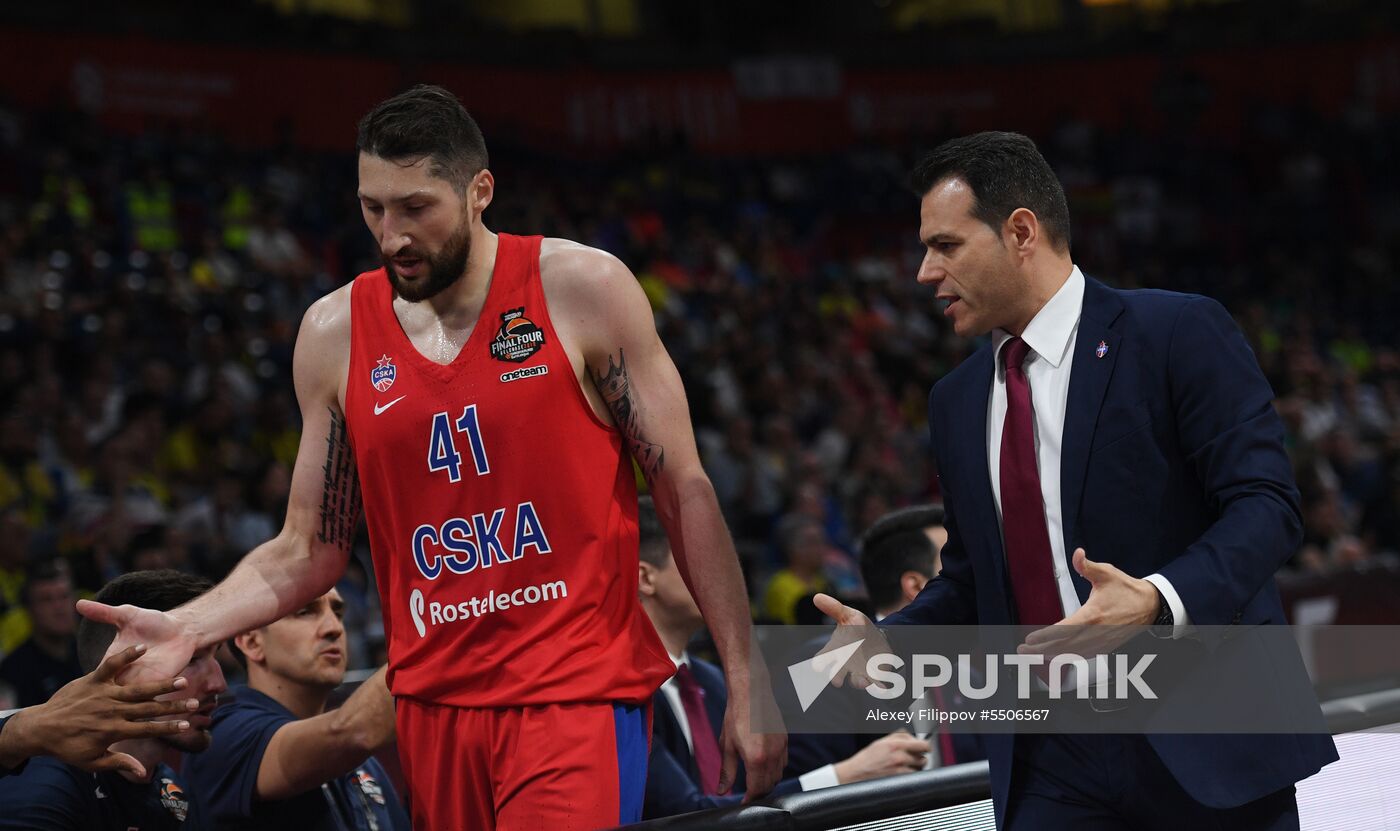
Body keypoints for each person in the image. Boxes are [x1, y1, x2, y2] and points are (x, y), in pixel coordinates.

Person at [78, 84, 783, 830]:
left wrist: (747, 676)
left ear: (479, 190)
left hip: (569, 695)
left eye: (416, 208)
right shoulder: (334, 331)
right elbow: (308, 546)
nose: (391, 236)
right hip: (427, 709)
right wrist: (191, 623)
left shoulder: (582, 287)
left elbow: (684, 490)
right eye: (372, 208)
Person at [815, 132, 1337, 830]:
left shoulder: (1176, 331)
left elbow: (1266, 505)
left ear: (1021, 231)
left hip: (1206, 732)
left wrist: (1156, 598)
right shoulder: (957, 397)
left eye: (945, 245)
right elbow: (973, 575)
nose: (923, 272)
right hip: (1051, 760)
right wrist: (891, 635)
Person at [636, 497, 925, 819]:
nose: (724, 572)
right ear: (646, 578)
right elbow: (683, 815)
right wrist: (844, 777)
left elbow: (749, 795)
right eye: (698, 556)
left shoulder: (715, 681)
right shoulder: (624, 694)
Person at [0, 570, 226, 828]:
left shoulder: (174, 792)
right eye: (193, 659)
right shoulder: (43, 788)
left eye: (216, 656)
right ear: (120, 669)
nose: (218, 683)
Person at [785, 505, 982, 779]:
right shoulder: (821, 667)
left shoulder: (968, 673)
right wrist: (848, 775)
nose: (976, 580)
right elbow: (793, 797)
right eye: (955, 569)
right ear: (916, 586)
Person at [184, 588, 408, 830]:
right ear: (252, 641)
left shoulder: (364, 763)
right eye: (305, 612)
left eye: (338, 612)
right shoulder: (223, 735)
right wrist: (435, 633)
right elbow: (352, 732)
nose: (334, 628)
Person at [0, 559, 82, 707]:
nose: (59, 608)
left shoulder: (90, 653)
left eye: (64, 596)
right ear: (30, 609)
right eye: (47, 600)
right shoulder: (14, 670)